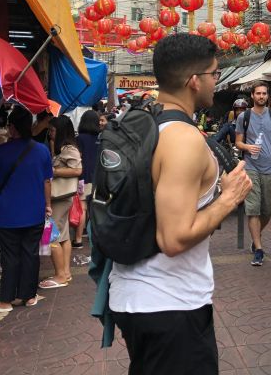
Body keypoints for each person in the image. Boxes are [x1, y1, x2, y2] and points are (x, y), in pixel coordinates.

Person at [108, 34, 252, 375]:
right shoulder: (183, 139)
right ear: (193, 81)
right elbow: (173, 238)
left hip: (135, 296)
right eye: (215, 74)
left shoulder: (139, 123)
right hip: (169, 305)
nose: (218, 81)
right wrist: (229, 198)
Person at [0, 106, 53, 310]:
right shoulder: (41, 150)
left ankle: (5, 299)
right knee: (30, 254)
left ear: (12, 128)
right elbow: (46, 182)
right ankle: (29, 296)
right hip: (34, 210)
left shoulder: (1, 152)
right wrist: (48, 205)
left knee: (9, 256)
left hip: (5, 214)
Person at [235, 82, 271, 267]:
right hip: (251, 167)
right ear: (252, 96)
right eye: (258, 93)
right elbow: (238, 142)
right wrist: (248, 147)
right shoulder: (244, 117)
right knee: (253, 209)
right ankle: (258, 249)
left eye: (264, 93)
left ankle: (256, 235)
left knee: (267, 210)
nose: (261, 96)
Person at [39, 115, 82, 289]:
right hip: (62, 198)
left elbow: (78, 169)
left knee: (50, 236)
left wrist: (53, 171)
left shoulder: (69, 149)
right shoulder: (62, 148)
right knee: (63, 236)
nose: (50, 133)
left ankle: (60, 275)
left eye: (52, 130)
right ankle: (65, 272)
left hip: (60, 198)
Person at [73, 109, 100, 248]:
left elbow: (78, 158)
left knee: (82, 208)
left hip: (84, 176)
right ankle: (93, 237)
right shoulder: (100, 138)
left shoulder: (80, 139)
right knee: (94, 208)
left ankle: (78, 240)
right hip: (98, 177)